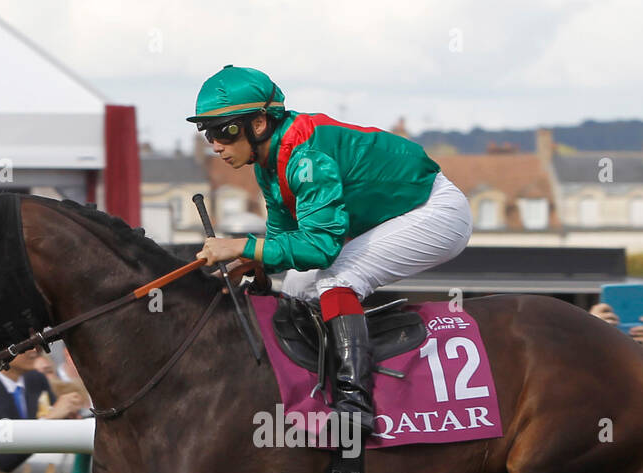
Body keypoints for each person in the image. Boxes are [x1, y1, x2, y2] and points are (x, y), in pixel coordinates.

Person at [186, 65, 472, 437]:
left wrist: (242, 244)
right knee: (293, 291)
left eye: (224, 130)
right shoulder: (270, 161)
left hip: (433, 211)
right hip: (390, 215)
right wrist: (253, 263)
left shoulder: (307, 157)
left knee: (337, 280)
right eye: (207, 132)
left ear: (258, 124)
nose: (215, 144)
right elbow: (283, 234)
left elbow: (319, 248)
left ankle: (356, 405)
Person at [0, 347, 86, 473]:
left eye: (35, 345)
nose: (34, 350)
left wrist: (70, 420)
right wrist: (49, 420)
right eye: (25, 345)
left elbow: (56, 432)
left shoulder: (36, 379)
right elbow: (2, 460)